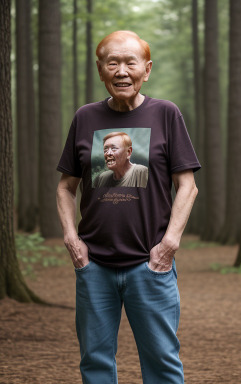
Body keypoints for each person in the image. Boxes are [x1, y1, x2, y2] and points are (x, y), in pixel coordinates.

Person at [56, 30, 201, 384]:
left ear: (146, 70)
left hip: (149, 265)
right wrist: (72, 241)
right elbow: (65, 187)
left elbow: (187, 185)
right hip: (95, 268)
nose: (122, 71)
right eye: (112, 63)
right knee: (95, 362)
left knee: (162, 363)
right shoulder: (85, 117)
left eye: (130, 63)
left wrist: (169, 245)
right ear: (101, 70)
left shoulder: (166, 114)